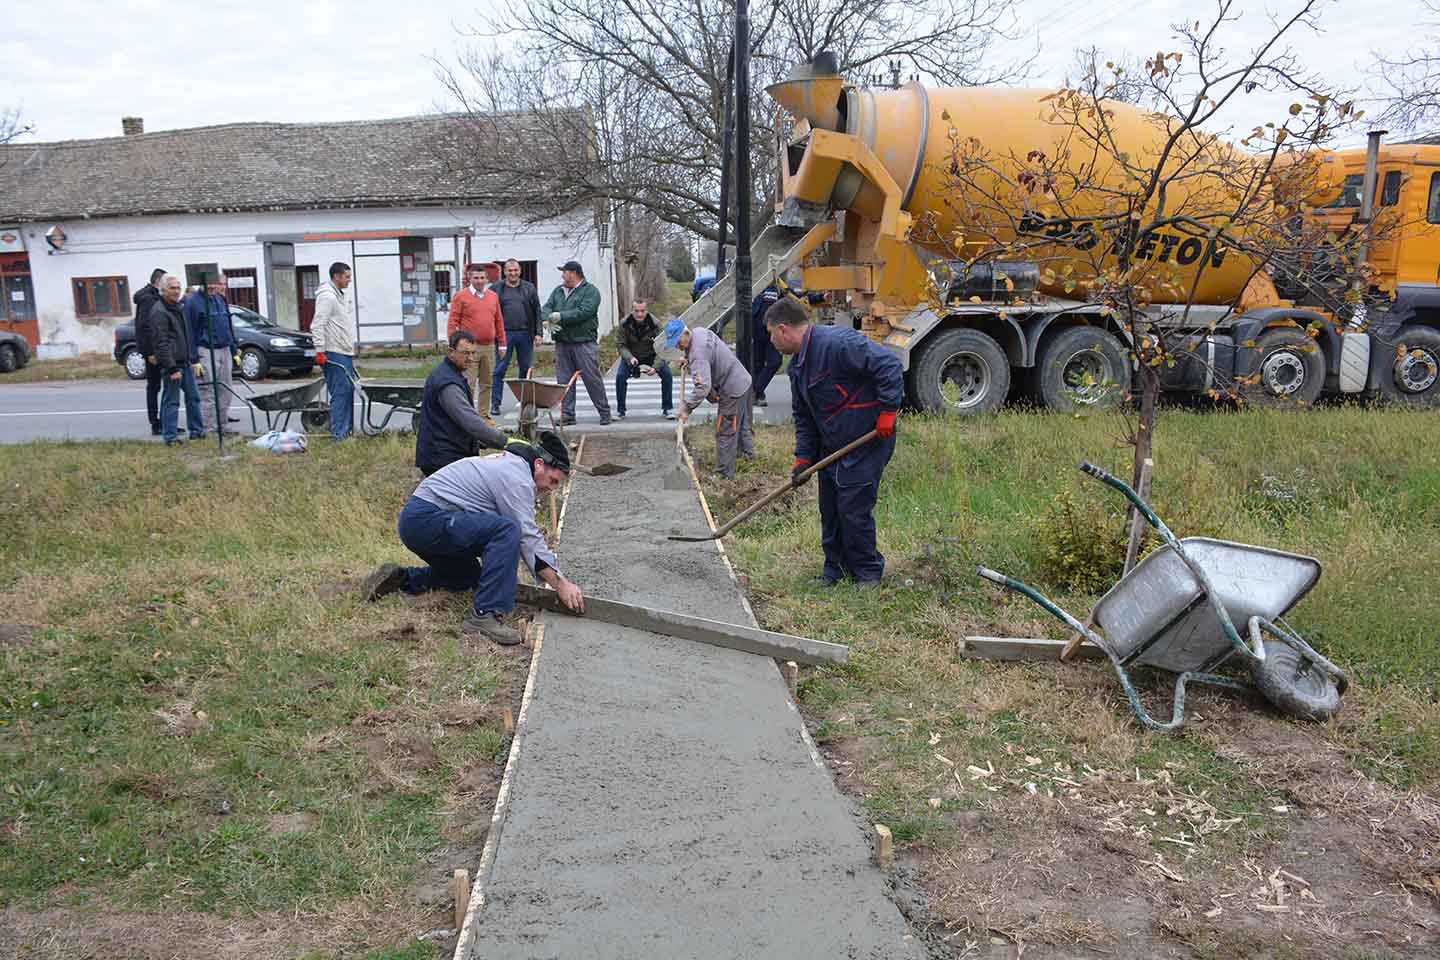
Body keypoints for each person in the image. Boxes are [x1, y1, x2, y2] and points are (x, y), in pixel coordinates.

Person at [362, 431, 586, 645]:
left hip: (424, 521)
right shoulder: (516, 477)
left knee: (469, 578)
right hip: (426, 519)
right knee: (508, 530)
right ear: (538, 464)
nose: (551, 489)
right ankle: (484, 615)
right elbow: (527, 537)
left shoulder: (512, 465)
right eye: (553, 480)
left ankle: (402, 579)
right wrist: (560, 583)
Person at [764, 297, 903, 589]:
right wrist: (804, 458)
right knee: (830, 508)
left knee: (853, 508)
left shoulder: (837, 343)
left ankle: (867, 573)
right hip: (832, 446)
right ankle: (835, 570)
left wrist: (889, 411)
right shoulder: (797, 368)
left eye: (771, 333)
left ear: (784, 329)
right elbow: (804, 417)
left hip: (867, 440)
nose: (771, 340)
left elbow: (888, 364)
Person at [664, 317, 753, 478]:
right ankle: (748, 456)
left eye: (678, 342)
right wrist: (688, 360)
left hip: (732, 388)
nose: (677, 346)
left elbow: (703, 387)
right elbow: (706, 355)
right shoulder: (699, 332)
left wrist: (686, 407)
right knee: (740, 425)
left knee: (725, 431)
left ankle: (723, 475)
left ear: (685, 332)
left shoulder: (697, 354)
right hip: (742, 379)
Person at [417, 331, 508, 476]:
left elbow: (454, 424)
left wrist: (480, 442)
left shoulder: (452, 374)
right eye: (465, 353)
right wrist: (506, 442)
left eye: (473, 353)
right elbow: (470, 422)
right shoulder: (448, 383)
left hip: (445, 454)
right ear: (451, 352)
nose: (471, 358)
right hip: (442, 459)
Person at [542, 259, 611, 425]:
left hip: (583, 343)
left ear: (573, 273)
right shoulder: (558, 291)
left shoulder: (590, 291)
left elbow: (585, 311)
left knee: (592, 379)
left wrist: (561, 317)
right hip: (562, 343)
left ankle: (604, 412)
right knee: (564, 381)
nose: (562, 275)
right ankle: (567, 415)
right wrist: (546, 320)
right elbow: (546, 307)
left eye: (564, 272)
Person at [150, 274, 206, 446]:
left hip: (186, 362)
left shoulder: (178, 307)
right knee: (171, 402)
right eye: (172, 288)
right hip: (173, 366)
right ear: (163, 290)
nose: (176, 291)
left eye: (178, 288)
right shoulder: (159, 311)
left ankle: (196, 431)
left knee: (193, 398)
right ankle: (170, 437)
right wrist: (171, 368)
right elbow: (161, 343)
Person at [183, 272, 239, 435]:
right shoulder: (192, 302)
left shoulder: (220, 299)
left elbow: (227, 325)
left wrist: (234, 350)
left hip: (224, 349)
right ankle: (209, 428)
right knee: (208, 391)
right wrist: (194, 359)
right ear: (203, 283)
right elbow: (189, 332)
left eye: (218, 284)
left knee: (225, 389)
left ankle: (222, 425)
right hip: (206, 351)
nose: (216, 287)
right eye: (212, 284)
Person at [448, 263, 506, 418]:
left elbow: (498, 320)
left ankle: (484, 416)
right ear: (470, 278)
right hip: (469, 349)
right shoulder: (461, 296)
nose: (479, 281)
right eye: (476, 278)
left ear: (487, 279)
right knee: (469, 383)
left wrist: (502, 344)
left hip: (489, 346)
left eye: (482, 278)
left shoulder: (492, 296)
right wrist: (453, 345)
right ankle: (468, 416)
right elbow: (453, 321)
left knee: (487, 383)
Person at [489, 258, 542, 417]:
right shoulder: (495, 289)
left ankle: (525, 404)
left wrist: (538, 333)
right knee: (500, 369)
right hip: (504, 335)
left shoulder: (529, 288)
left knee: (525, 370)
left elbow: (537, 311)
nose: (513, 273)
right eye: (509, 270)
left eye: (515, 270)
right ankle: (495, 404)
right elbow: (490, 312)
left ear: (520, 271)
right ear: (504, 272)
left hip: (525, 334)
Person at [312, 262, 356, 440]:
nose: (349, 280)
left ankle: (347, 431)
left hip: (343, 350)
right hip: (333, 351)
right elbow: (317, 324)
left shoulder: (338, 295)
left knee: (348, 391)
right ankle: (339, 435)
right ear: (336, 277)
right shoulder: (328, 297)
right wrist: (320, 350)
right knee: (340, 392)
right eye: (347, 276)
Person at [614, 298, 674, 420]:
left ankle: (667, 408)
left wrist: (655, 368)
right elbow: (621, 345)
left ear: (646, 310)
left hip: (652, 354)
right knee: (620, 376)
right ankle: (621, 411)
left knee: (667, 375)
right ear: (632, 311)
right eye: (636, 311)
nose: (639, 314)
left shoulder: (655, 324)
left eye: (642, 311)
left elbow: (662, 348)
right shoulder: (624, 323)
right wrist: (629, 358)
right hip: (632, 355)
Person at [133, 267, 166, 435]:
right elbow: (144, 327)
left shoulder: (155, 296)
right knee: (154, 387)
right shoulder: (147, 299)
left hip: (160, 348)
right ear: (158, 281)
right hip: (152, 351)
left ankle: (165, 421)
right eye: (165, 282)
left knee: (164, 386)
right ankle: (155, 423)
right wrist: (150, 353)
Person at [750, 286, 784, 407]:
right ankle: (758, 394)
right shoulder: (755, 282)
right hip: (756, 330)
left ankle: (756, 390)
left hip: (773, 332)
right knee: (756, 363)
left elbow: (794, 298)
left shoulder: (778, 284)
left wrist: (820, 297)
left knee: (775, 361)